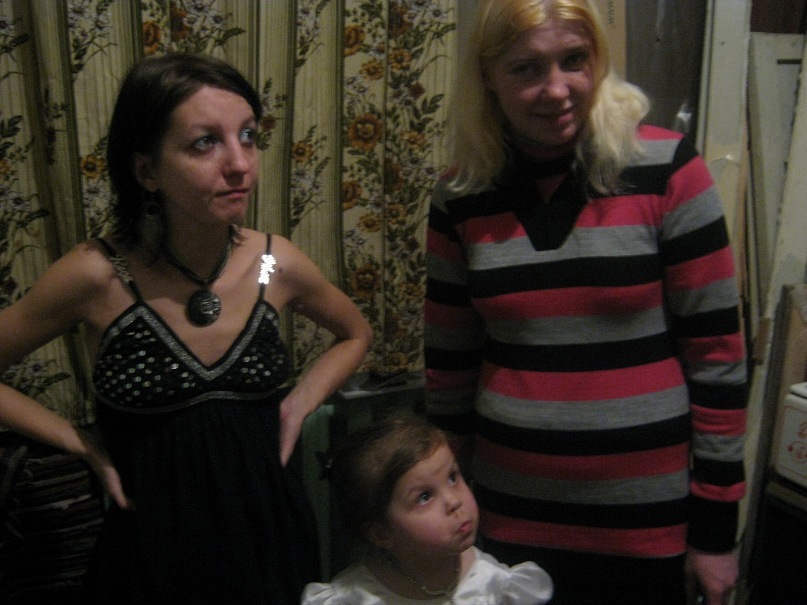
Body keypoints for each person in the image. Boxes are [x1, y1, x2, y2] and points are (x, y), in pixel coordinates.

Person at [0, 53, 372, 604]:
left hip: (269, 538)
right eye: (205, 143)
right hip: (151, 553)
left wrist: (299, 404)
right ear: (147, 171)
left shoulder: (270, 266)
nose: (240, 163)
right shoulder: (100, 276)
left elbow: (354, 333)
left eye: (248, 136)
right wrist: (79, 442)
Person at [423, 1, 748, 604]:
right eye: (526, 68)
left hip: (646, 527)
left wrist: (716, 532)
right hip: (509, 520)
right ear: (488, 78)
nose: (557, 89)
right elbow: (449, 370)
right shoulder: (460, 195)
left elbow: (718, 362)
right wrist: (446, 506)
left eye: (574, 60)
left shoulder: (669, 170)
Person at [301, 414, 553, 604]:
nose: (454, 501)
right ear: (382, 533)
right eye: (424, 496)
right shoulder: (355, 597)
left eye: (453, 477)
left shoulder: (493, 582)